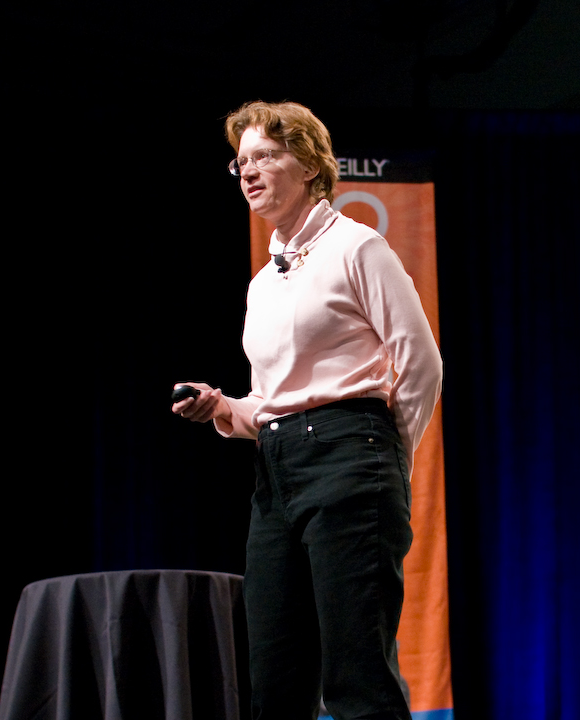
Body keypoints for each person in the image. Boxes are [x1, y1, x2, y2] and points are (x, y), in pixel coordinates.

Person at [172, 101, 443, 720]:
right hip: (277, 474)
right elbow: (273, 402)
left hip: (352, 460)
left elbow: (420, 365)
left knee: (356, 675)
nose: (249, 172)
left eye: (266, 155)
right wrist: (222, 406)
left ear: (312, 165)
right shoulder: (263, 282)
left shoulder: (357, 246)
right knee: (275, 676)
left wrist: (381, 458)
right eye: (241, 161)